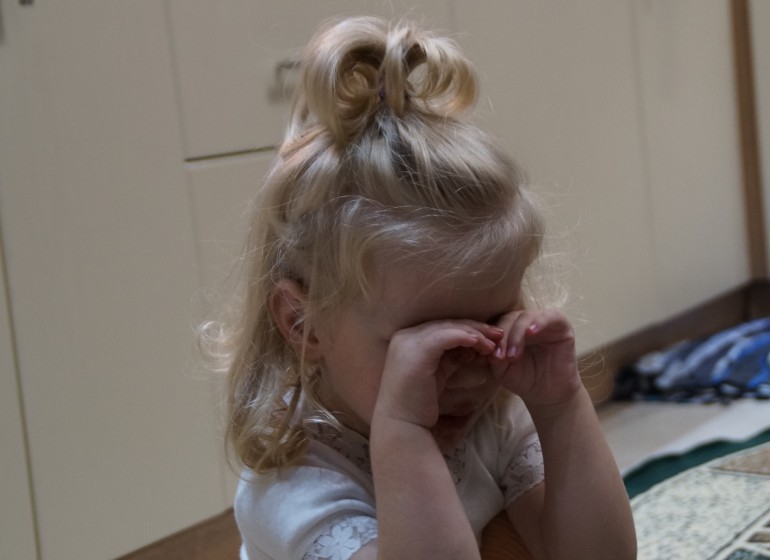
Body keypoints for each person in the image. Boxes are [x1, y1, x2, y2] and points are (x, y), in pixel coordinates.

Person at [212, 15, 636, 560]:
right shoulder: (294, 484)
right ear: (303, 323)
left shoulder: (492, 417)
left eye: (492, 326)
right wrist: (404, 431)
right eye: (429, 344)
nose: (471, 372)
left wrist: (561, 406)